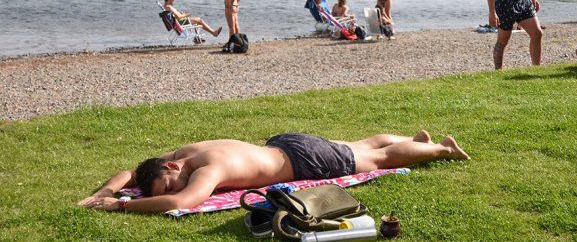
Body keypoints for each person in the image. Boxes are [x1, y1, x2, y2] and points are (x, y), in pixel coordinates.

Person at [78, 130, 469, 213]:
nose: (173, 185)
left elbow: (182, 202)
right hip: (285, 145)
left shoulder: (206, 169)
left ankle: (439, 149)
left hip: (300, 161)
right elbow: (131, 172)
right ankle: (414, 138)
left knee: (377, 160)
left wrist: (119, 208)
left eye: (168, 180)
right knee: (361, 146)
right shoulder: (184, 154)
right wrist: (105, 191)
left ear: (172, 166)